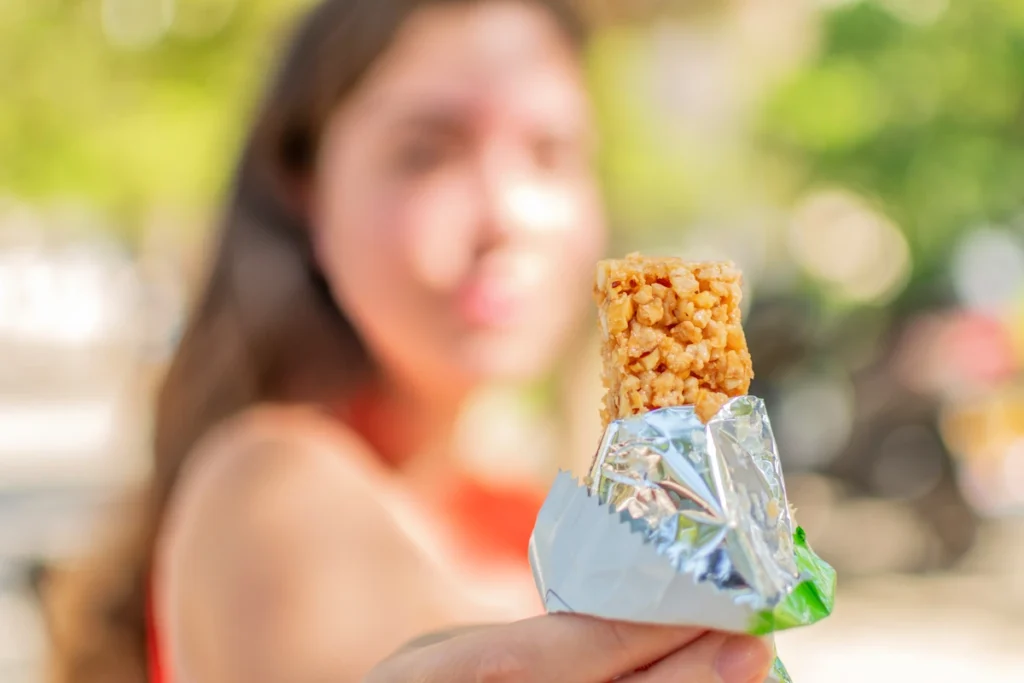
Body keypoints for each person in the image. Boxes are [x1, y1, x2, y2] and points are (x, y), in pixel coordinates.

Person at [46, 1, 774, 682]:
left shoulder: (540, 514)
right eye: (426, 153)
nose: (507, 215)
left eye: (551, 153)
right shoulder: (267, 487)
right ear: (306, 189)